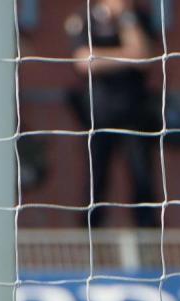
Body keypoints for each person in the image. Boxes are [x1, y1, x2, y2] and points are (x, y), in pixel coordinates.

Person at [65, 0, 159, 228]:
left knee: (141, 175)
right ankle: (91, 234)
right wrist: (127, 55)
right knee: (96, 177)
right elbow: (84, 61)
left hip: (135, 111)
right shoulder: (86, 18)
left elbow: (143, 55)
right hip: (98, 113)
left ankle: (147, 236)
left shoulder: (138, 17)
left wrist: (126, 20)